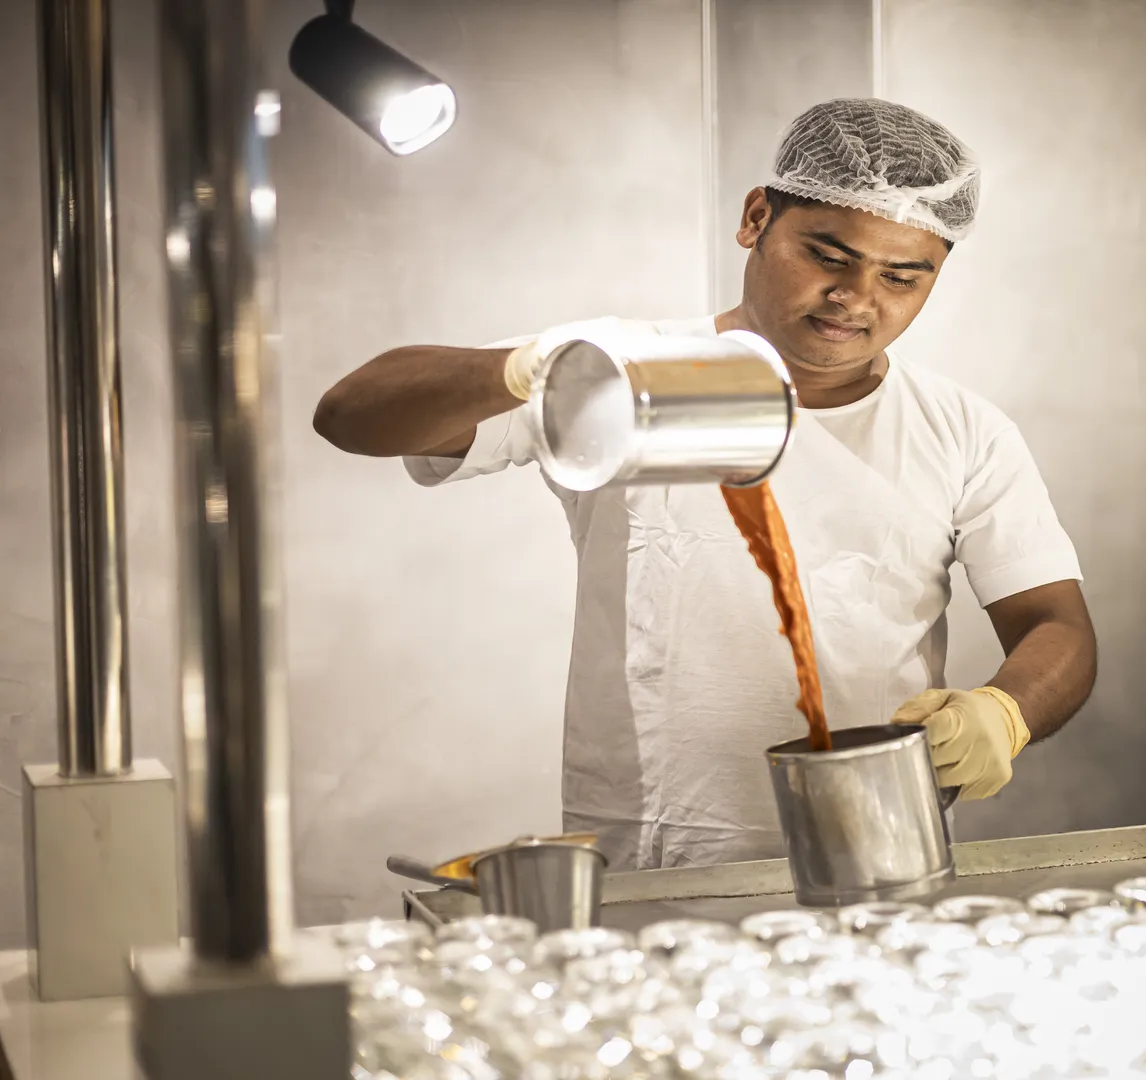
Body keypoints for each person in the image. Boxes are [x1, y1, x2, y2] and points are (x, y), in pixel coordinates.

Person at [313, 99, 1097, 870]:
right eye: (828, 256)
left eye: (900, 277)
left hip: (874, 852)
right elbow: (351, 414)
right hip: (649, 857)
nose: (857, 297)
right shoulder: (622, 374)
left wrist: (1004, 713)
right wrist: (539, 370)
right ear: (756, 218)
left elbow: (1055, 625)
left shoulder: (963, 430)